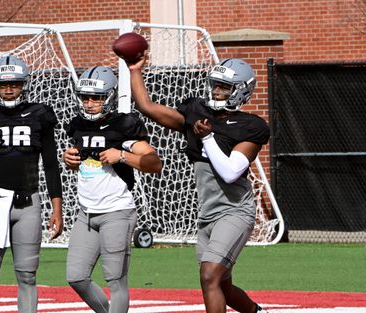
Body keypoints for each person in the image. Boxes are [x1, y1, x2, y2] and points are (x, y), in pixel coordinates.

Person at [129, 57, 270, 313]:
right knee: (222, 287)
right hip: (208, 214)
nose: (217, 91)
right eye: (215, 85)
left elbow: (230, 172)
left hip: (235, 211)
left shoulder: (250, 126)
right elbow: (147, 106)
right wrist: (134, 69)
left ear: (241, 90)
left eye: (224, 87)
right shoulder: (197, 113)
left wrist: (207, 139)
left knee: (209, 276)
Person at [0, 55, 63, 313]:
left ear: (24, 84)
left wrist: (57, 208)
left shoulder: (40, 115)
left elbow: (51, 165)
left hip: (29, 201)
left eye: (14, 84)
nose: (8, 90)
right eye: (2, 85)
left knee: (28, 276)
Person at [63, 65, 162, 313]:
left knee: (116, 280)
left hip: (117, 211)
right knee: (76, 276)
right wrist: (70, 161)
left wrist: (122, 156)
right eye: (85, 97)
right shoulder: (76, 124)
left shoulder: (124, 125)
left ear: (109, 97)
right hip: (85, 213)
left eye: (96, 97)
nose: (89, 103)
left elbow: (154, 163)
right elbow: (85, 165)